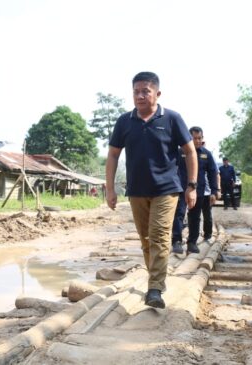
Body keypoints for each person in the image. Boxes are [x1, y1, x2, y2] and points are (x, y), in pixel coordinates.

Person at [106, 71, 197, 309]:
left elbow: (190, 151)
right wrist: (110, 189)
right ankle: (155, 280)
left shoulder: (172, 119)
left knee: (158, 236)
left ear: (157, 93)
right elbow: (113, 155)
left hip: (166, 190)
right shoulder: (124, 121)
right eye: (136, 91)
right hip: (136, 191)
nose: (140, 96)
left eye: (146, 91)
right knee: (145, 239)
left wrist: (192, 186)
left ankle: (155, 287)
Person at [171, 127, 218, 254]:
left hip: (199, 191)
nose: (197, 141)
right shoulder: (180, 152)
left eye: (200, 138)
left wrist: (214, 191)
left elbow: (213, 172)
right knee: (179, 214)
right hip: (181, 189)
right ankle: (176, 241)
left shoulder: (206, 154)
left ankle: (192, 242)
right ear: (189, 138)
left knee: (195, 217)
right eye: (194, 138)